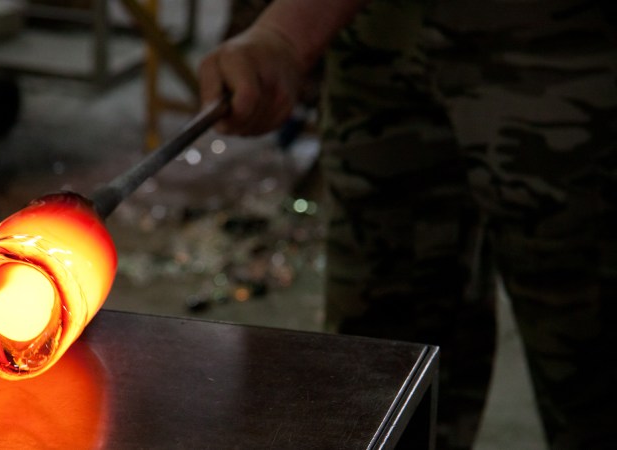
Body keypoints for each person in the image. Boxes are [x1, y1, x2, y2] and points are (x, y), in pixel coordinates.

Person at [198, 0, 617, 449]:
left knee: (587, 348)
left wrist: (286, 31)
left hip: (564, 45)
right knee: (384, 369)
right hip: (379, 43)